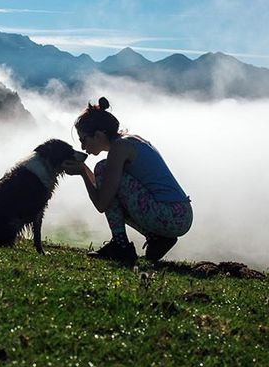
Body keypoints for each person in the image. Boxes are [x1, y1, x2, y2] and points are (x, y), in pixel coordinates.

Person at [62, 97, 192, 266]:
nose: (82, 146)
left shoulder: (119, 149)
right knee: (107, 177)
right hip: (180, 213)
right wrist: (85, 170)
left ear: (99, 135)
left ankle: (120, 246)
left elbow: (102, 203)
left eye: (83, 139)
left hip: (172, 215)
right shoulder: (130, 140)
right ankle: (156, 238)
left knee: (102, 168)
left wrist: (82, 172)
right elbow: (109, 192)